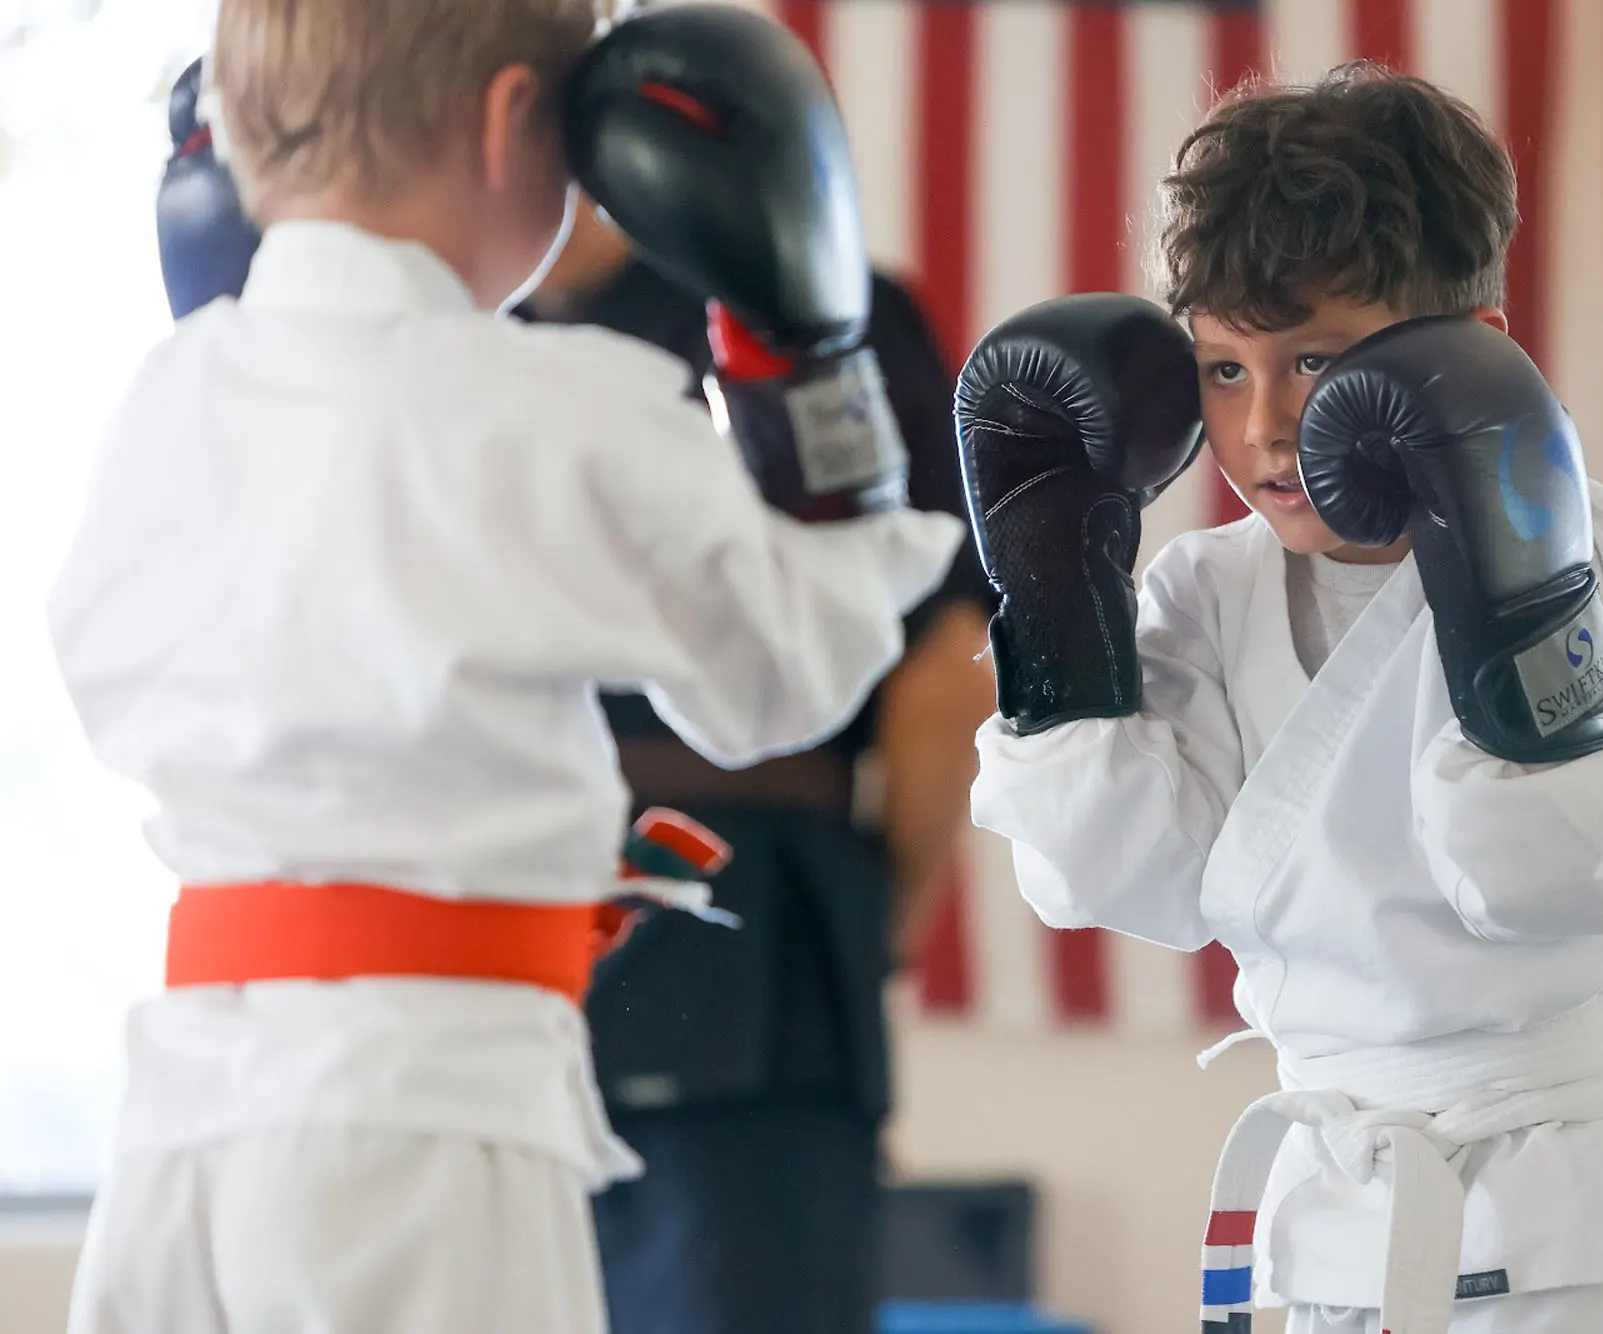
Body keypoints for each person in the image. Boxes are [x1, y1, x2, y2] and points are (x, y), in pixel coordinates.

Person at [51, 4, 961, 1331]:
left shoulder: (162, 400)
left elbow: (103, 670)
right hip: (428, 1115)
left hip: (187, 1113)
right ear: (511, 123)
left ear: (231, 127)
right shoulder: (556, 405)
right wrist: (801, 370)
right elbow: (788, 676)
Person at [957, 64, 1603, 1334]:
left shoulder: (1571, 543)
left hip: (1560, 1188)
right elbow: (1117, 873)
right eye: (1218, 369)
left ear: (1461, 353)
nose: (1261, 427)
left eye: (1313, 360)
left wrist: (1505, 586)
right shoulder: (1210, 585)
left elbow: (1557, 873)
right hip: (1328, 1191)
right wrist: (1048, 580)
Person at [526, 205, 994, 1334]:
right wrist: (866, 927)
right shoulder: (810, 317)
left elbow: (943, 673)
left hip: (479, 947)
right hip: (753, 945)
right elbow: (943, 678)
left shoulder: (433, 348)